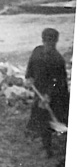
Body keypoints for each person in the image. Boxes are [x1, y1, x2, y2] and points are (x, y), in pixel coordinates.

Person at [24, 27, 69, 157]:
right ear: (43, 40)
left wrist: (48, 95)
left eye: (52, 41)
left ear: (56, 41)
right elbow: (30, 66)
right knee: (42, 118)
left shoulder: (58, 60)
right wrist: (29, 77)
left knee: (58, 118)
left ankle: (56, 147)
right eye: (47, 41)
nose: (49, 44)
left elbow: (58, 81)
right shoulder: (37, 51)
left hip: (56, 94)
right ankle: (46, 148)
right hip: (40, 90)